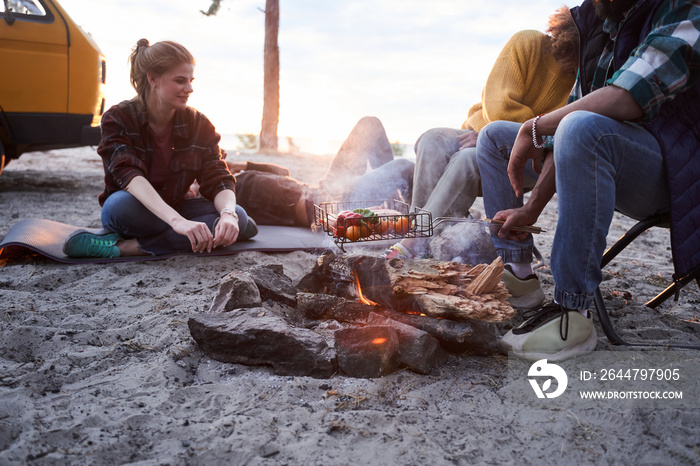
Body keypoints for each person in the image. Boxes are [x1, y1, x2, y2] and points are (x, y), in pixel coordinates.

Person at [476, 0, 700, 360]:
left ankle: (573, 313)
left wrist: (536, 125)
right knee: (494, 137)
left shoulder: (683, 7)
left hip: (676, 173)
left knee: (581, 126)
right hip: (612, 158)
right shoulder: (597, 22)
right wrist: (532, 207)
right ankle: (518, 275)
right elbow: (567, 131)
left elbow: (628, 98)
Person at [386, 6, 579, 291]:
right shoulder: (528, 43)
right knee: (431, 138)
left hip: (530, 156)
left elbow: (556, 133)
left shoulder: (584, 78)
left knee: (467, 157)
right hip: (480, 129)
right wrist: (487, 133)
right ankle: (420, 235)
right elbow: (499, 104)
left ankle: (415, 243)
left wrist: (494, 137)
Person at [63, 39, 258, 259]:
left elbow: (218, 177)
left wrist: (228, 215)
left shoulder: (199, 123)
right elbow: (128, 174)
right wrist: (178, 222)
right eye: (180, 81)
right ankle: (204, 233)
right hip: (137, 210)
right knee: (118, 207)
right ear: (153, 79)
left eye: (191, 81)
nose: (189, 89)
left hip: (178, 206)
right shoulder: (118, 118)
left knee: (237, 215)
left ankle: (129, 247)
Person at [226, 116, 415, 227]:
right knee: (404, 167)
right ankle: (413, 213)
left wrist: (239, 165)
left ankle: (393, 197)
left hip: (327, 185)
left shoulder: (233, 178)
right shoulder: (226, 198)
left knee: (369, 124)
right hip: (330, 204)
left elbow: (283, 172)